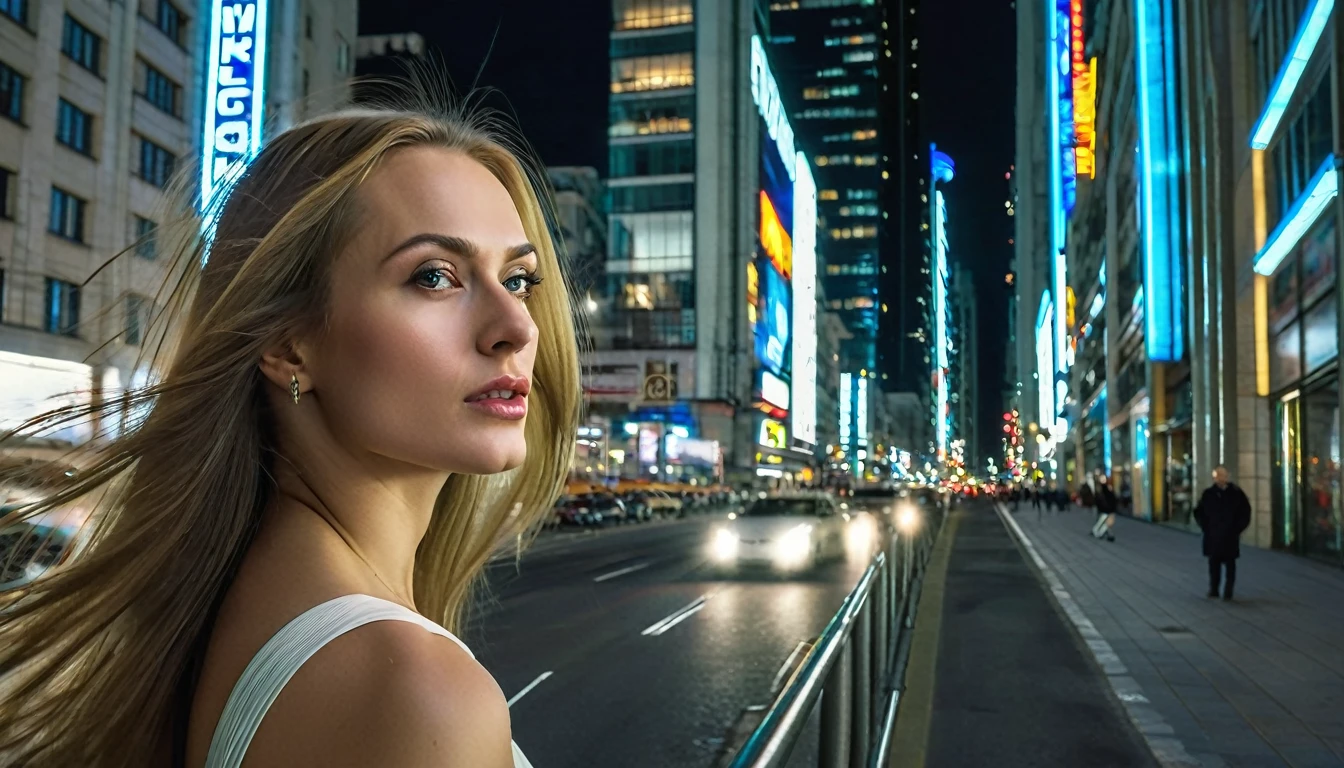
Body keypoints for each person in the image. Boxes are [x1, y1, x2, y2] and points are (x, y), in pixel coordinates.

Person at [0, 100, 581, 767]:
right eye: (435, 277)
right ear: (288, 344)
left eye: (517, 279)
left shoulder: (243, 600)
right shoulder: (413, 691)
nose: (518, 326)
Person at [1194, 465, 1252, 601]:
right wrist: (1205, 527)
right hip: (1213, 535)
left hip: (1230, 536)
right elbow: (1199, 512)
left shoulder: (1236, 493)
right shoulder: (1208, 494)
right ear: (1214, 478)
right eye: (1218, 476)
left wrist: (1237, 528)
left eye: (1223, 475)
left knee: (1230, 564)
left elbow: (1245, 512)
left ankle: (1228, 591)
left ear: (1228, 476)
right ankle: (1214, 589)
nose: (1220, 478)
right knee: (1213, 564)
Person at [1092, 475, 1117, 541]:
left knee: (1104, 523)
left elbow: (1099, 501)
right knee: (1106, 523)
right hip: (1108, 510)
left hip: (1105, 510)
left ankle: (1102, 533)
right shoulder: (1108, 491)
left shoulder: (1102, 492)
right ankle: (1104, 534)